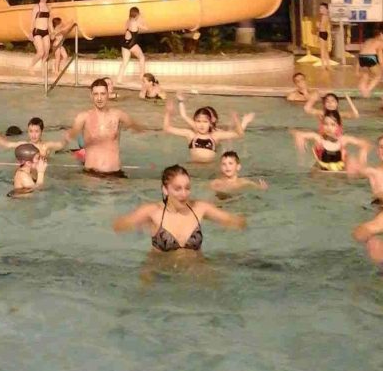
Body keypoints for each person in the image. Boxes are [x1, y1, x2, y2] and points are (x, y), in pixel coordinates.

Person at [112, 164, 246, 255]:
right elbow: (118, 226)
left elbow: (236, 221)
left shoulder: (200, 208)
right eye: (177, 189)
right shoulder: (152, 212)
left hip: (196, 271)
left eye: (187, 188)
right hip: (159, 272)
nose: (184, 194)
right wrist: (138, 225)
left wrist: (238, 218)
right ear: (165, 190)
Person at [63, 78, 145, 177]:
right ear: (91, 96)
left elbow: (138, 127)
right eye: (96, 94)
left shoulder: (118, 115)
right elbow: (71, 135)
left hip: (115, 175)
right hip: (91, 175)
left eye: (102, 94)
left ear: (108, 95)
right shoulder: (83, 117)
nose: (99, 98)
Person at [162, 99, 252, 164]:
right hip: (194, 167)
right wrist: (168, 113)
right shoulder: (190, 135)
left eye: (205, 122)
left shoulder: (215, 136)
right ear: (194, 122)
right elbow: (167, 128)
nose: (201, 125)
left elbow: (239, 134)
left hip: (210, 168)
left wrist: (236, 120)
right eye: (198, 121)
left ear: (210, 123)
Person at [291, 113, 369, 173]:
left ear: (338, 126)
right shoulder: (318, 139)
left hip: (340, 174)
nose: (329, 128)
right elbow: (297, 133)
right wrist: (301, 143)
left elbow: (366, 144)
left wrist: (360, 161)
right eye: (326, 124)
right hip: (321, 174)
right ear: (322, 125)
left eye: (332, 125)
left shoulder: (343, 140)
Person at [0, 116, 72, 158]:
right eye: (31, 131)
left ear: (41, 132)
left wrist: (66, 139)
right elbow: (8, 144)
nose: (33, 135)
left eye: (36, 131)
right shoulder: (24, 145)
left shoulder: (46, 146)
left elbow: (60, 145)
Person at [346, 134, 383, 205]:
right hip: (378, 206)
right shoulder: (373, 172)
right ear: (378, 151)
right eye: (382, 147)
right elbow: (360, 169)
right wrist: (364, 151)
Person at [116, 6, 147, 85]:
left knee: (125, 62)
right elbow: (146, 28)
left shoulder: (128, 21)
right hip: (132, 44)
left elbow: (126, 30)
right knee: (142, 58)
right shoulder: (136, 23)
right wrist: (142, 18)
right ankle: (142, 78)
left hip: (125, 43)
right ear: (137, 15)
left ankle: (119, 79)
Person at [29, 0, 52, 72]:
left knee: (46, 52)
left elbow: (49, 21)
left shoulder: (48, 8)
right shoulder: (36, 7)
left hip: (45, 32)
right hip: (37, 31)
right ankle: (31, 66)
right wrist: (30, 33)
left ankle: (42, 66)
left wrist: (52, 32)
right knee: (40, 52)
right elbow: (32, 21)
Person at [357, 32, 383, 98]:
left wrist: (357, 68)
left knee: (365, 75)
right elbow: (380, 58)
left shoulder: (368, 40)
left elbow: (361, 52)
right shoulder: (380, 42)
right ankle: (368, 90)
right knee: (378, 75)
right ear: (380, 34)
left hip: (362, 58)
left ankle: (362, 89)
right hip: (370, 58)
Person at [317, 2, 331, 69]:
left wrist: (317, 25)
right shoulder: (327, 16)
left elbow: (321, 26)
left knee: (322, 50)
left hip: (322, 33)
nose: (320, 9)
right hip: (325, 33)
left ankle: (323, 65)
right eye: (320, 8)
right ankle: (328, 65)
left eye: (322, 8)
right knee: (325, 50)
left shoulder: (323, 16)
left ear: (326, 9)